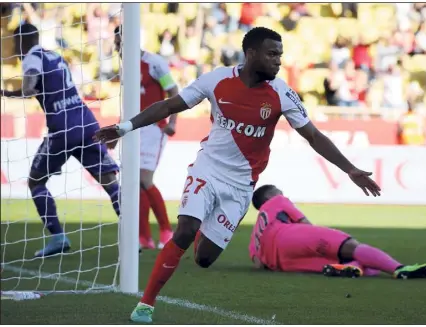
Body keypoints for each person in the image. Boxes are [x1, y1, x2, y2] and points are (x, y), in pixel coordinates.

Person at [94, 27, 381, 323]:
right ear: (251, 53)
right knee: (185, 229)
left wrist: (350, 169)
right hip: (208, 170)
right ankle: (146, 304)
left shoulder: (281, 93)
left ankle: (200, 222)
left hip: (241, 186)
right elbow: (169, 104)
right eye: (272, 54)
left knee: (204, 258)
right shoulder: (217, 80)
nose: (278, 61)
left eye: (280, 55)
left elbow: (313, 136)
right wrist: (125, 127)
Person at [0, 24, 120, 257]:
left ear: (23, 40)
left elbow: (29, 88)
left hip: (62, 129)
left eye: (15, 41)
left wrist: (5, 93)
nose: (14, 46)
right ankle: (132, 236)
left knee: (36, 181)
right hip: (86, 122)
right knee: (110, 183)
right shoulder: (54, 55)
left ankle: (58, 237)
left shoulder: (32, 57)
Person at [249, 184, 426, 279]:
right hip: (290, 236)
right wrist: (323, 241)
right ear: (271, 195)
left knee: (350, 263)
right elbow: (305, 224)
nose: (283, 195)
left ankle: (353, 267)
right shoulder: (278, 201)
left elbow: (258, 263)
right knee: (349, 246)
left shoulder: (257, 229)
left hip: (280, 263)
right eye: (279, 191)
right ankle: (400, 269)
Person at [113, 25, 178, 250]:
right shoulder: (125, 66)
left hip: (154, 127)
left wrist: (172, 121)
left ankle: (167, 230)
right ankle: (144, 237)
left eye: (120, 43)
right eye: (116, 43)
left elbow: (173, 91)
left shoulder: (155, 63)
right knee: (134, 183)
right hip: (133, 128)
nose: (117, 47)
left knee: (144, 179)